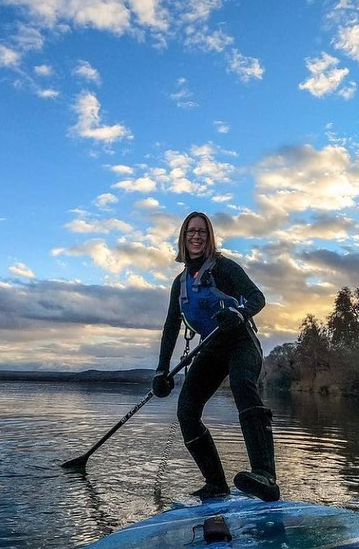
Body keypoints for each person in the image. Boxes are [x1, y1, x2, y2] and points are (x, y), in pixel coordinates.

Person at [151, 211, 280, 502]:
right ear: (183, 238)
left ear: (209, 237)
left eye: (202, 232)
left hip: (240, 342)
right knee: (186, 410)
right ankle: (216, 484)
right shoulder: (179, 283)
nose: (196, 236)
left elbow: (257, 297)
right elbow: (171, 327)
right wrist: (161, 371)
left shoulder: (224, 268)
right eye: (191, 231)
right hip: (211, 348)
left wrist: (239, 312)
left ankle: (265, 476)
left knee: (241, 385)